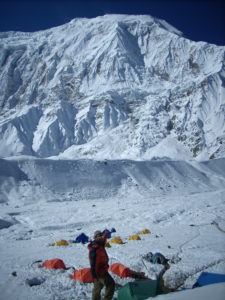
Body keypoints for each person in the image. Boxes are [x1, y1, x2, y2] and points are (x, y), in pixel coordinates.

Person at [88, 230, 115, 300]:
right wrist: (94, 275)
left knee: (97, 288)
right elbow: (93, 264)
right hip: (100, 272)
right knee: (111, 284)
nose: (100, 237)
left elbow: (104, 240)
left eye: (100, 235)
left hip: (101, 270)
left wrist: (105, 234)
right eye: (98, 236)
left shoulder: (100, 244)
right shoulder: (94, 249)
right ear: (95, 238)